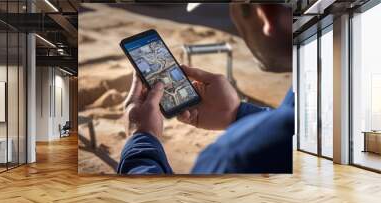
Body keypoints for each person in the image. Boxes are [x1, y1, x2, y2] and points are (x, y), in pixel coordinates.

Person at [117, 4, 294, 174]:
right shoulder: (306, 100)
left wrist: (140, 138)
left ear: (265, 13)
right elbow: (292, 129)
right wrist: (235, 113)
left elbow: (153, 202)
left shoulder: (234, 157)